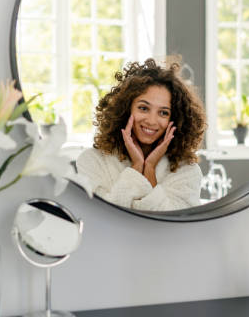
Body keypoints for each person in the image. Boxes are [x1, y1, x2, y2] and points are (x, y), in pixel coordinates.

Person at [76, 58, 206, 211]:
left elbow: (173, 227)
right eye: (143, 108)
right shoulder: (92, 161)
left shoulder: (187, 171)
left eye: (163, 113)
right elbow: (102, 218)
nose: (152, 121)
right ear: (125, 109)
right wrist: (137, 167)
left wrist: (149, 169)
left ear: (175, 119)